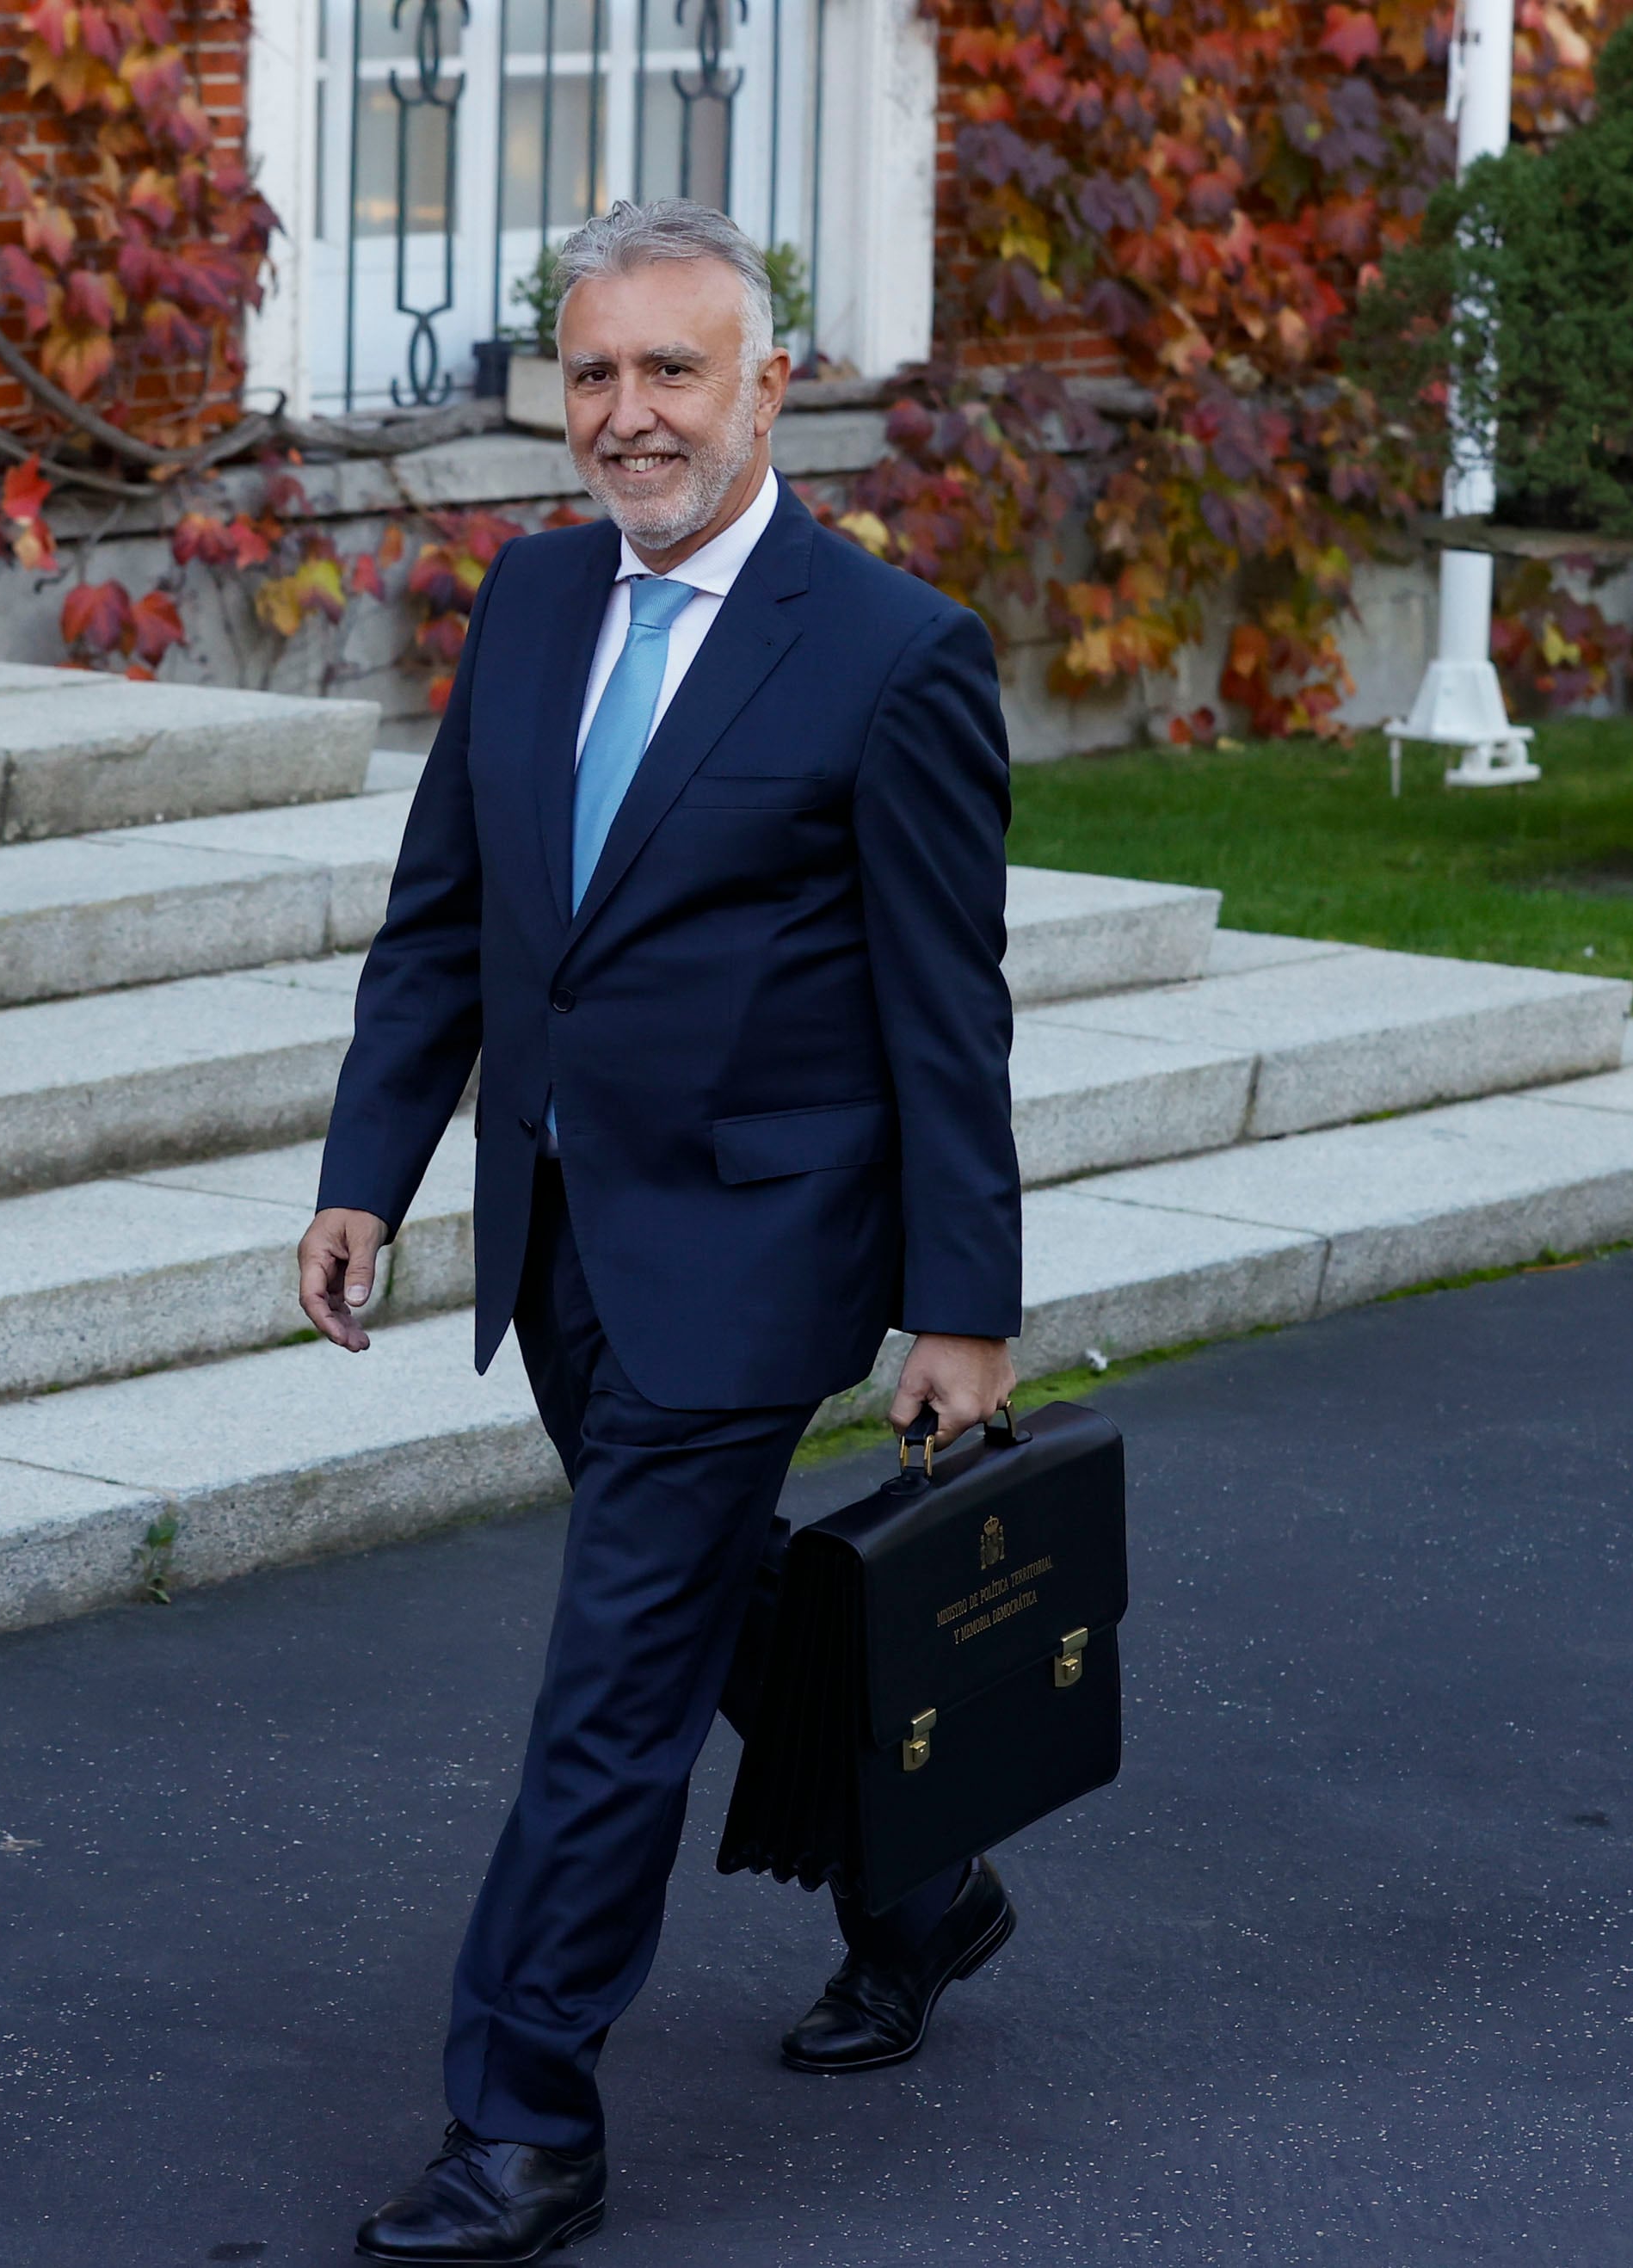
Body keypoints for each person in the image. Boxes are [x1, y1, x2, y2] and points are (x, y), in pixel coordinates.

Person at [298, 200, 1024, 2265]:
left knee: (606, 1697)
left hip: (755, 1260)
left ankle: (524, 2120)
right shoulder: (530, 603)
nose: (627, 417)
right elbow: (447, 922)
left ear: (771, 385)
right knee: (719, 1620)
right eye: (594, 374)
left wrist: (960, 1302)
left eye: (672, 371)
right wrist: (371, 1171)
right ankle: (922, 1881)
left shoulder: (895, 656)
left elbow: (942, 1005)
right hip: (556, 1244)